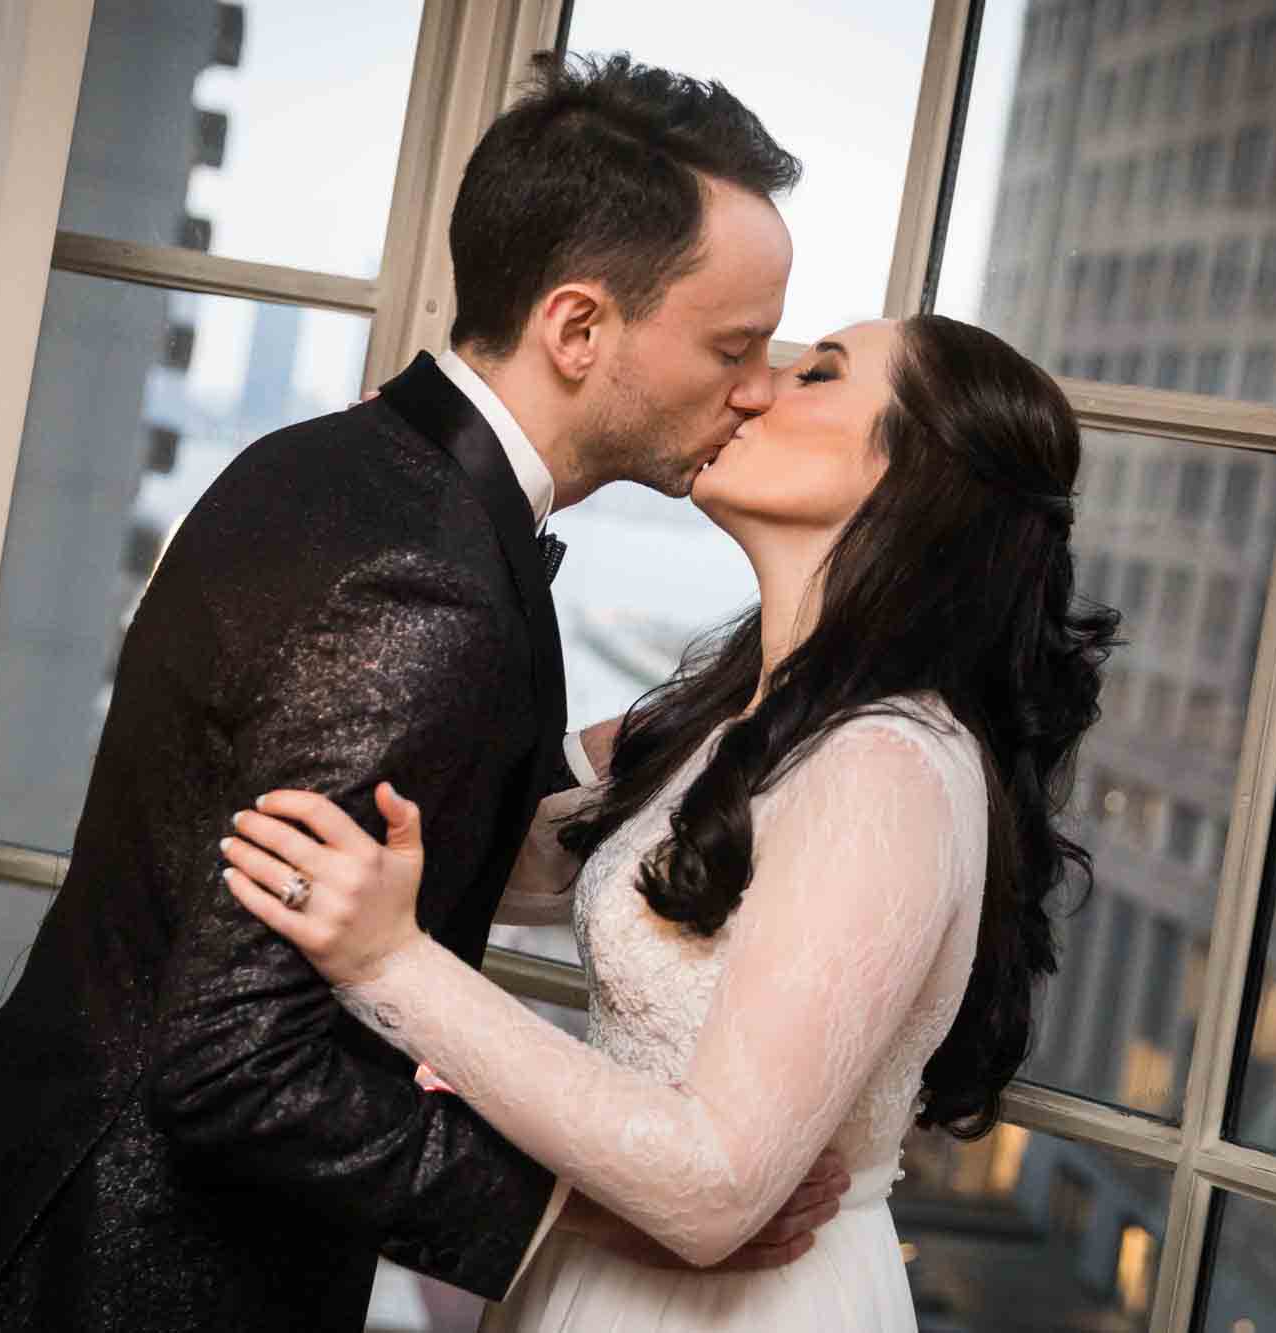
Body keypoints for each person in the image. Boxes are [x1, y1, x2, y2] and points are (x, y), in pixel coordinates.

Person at [0, 55, 852, 1333]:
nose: (757, 385)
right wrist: (596, 1202)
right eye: (733, 345)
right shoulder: (421, 578)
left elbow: (466, 804)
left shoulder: (354, 469)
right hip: (117, 1276)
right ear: (578, 328)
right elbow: (231, 1057)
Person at [223, 314, 1123, 1329]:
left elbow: (714, 1192)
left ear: (918, 475)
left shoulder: (886, 767)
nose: (752, 389)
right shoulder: (722, 716)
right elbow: (468, 837)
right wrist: (402, 499)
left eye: (815, 374)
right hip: (593, 1272)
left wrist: (390, 967)